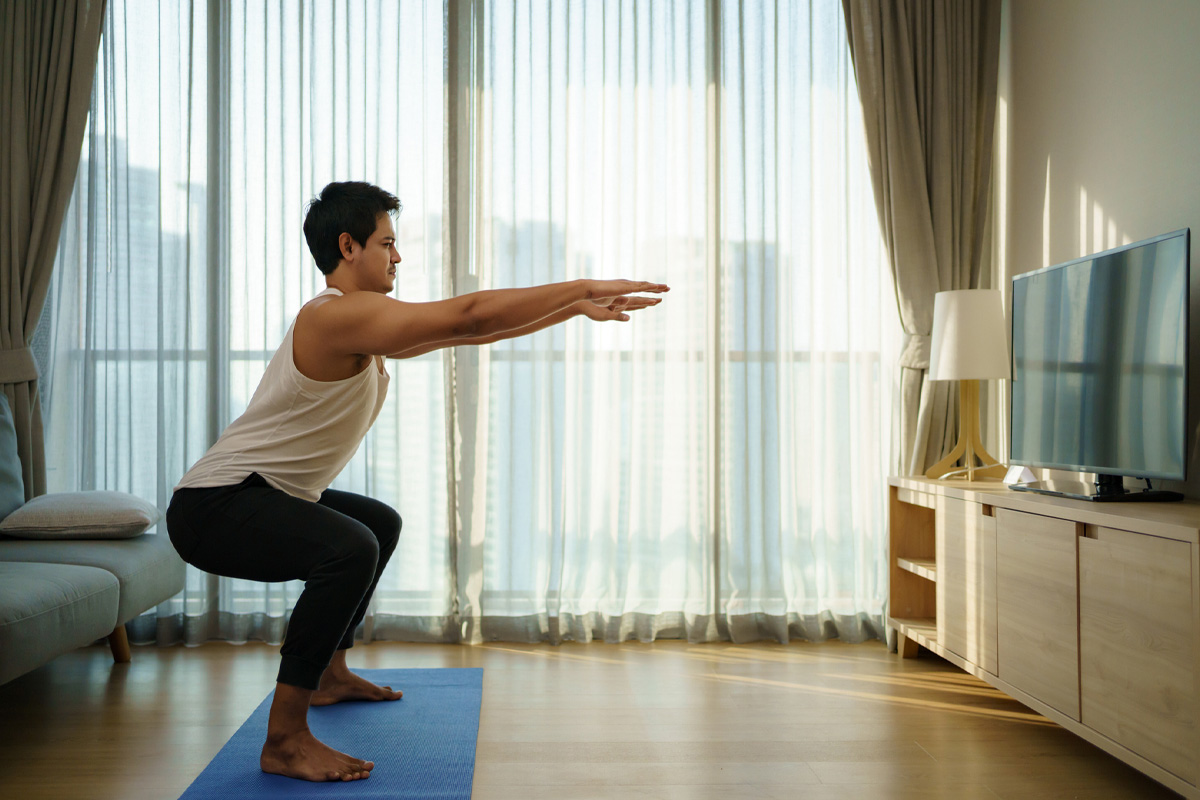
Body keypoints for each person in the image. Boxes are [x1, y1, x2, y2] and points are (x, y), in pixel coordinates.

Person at [165, 180, 669, 783]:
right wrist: (583, 285)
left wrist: (570, 310)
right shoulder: (334, 316)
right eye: (388, 243)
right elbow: (470, 313)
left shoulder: (360, 325)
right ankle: (285, 738)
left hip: (255, 495)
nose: (398, 256)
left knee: (377, 523)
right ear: (348, 247)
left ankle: (330, 673)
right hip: (214, 506)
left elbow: (468, 331)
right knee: (350, 548)